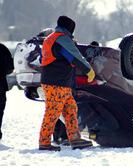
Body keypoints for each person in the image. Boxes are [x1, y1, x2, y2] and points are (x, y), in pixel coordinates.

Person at [39, 15, 95, 151]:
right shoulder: (61, 39)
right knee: (52, 112)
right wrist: (89, 70)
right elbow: (75, 56)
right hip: (56, 83)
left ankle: (75, 138)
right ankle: (44, 142)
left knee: (71, 109)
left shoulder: (50, 38)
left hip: (59, 83)